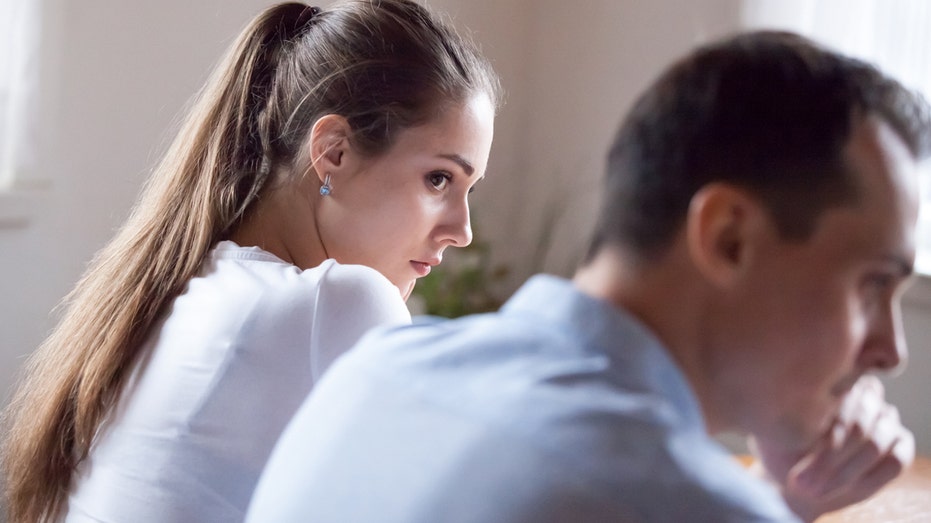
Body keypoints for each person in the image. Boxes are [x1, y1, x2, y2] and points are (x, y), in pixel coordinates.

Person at [245, 31, 930, 522]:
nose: (888, 349)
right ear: (728, 237)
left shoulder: (374, 371)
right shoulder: (677, 500)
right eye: (871, 284)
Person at [0, 1, 500, 521]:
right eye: (438, 179)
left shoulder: (178, 285)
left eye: (468, 189)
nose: (461, 231)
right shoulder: (339, 303)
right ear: (333, 152)